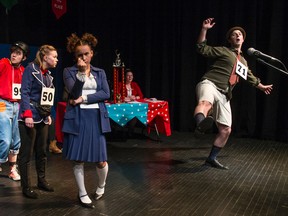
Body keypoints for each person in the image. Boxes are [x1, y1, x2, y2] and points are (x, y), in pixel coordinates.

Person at [193, 18, 273, 170]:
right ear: (230, 39)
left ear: (243, 39)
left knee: (226, 130)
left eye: (240, 34)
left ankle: (211, 158)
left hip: (224, 94)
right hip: (210, 83)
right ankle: (200, 124)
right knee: (205, 103)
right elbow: (201, 48)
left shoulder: (243, 61)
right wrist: (204, 29)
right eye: (234, 34)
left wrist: (261, 86)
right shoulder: (223, 50)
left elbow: (249, 76)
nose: (237, 36)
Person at [62, 33, 111, 209]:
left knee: (101, 160)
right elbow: (73, 92)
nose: (82, 57)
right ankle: (82, 193)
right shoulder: (69, 71)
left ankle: (101, 186)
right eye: (79, 55)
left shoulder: (100, 72)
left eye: (86, 54)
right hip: (78, 118)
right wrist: (82, 74)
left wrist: (83, 99)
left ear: (92, 54)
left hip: (96, 117)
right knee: (78, 159)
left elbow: (106, 93)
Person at [18, 45, 58, 199]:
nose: (56, 59)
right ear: (44, 56)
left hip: (42, 116)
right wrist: (27, 114)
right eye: (54, 56)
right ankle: (26, 186)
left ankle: (41, 180)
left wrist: (48, 113)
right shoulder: (31, 69)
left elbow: (47, 97)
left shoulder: (48, 75)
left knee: (42, 151)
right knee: (26, 153)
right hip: (30, 116)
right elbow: (25, 92)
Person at [0, 42, 29, 180]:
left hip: (17, 106)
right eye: (13, 52)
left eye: (18, 53)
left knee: (15, 140)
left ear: (24, 57)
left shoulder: (23, 70)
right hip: (3, 104)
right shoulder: (4, 63)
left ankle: (12, 169)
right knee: (5, 139)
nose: (14, 55)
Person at [118, 69, 144, 137]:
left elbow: (141, 95)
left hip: (132, 105)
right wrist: (123, 98)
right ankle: (123, 131)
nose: (130, 77)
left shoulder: (134, 84)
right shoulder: (120, 84)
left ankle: (130, 132)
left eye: (131, 75)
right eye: (128, 76)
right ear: (125, 77)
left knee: (134, 115)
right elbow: (116, 95)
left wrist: (135, 97)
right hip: (123, 105)